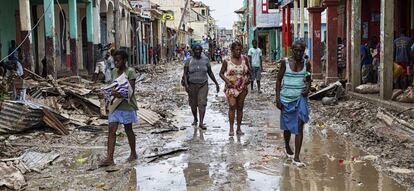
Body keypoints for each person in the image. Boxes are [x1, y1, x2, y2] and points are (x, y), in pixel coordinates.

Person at [275, 39, 311, 167]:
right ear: (292, 50)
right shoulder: (285, 62)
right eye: (296, 50)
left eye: (301, 50)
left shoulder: (307, 63)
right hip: (286, 99)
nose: (298, 53)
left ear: (303, 51)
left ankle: (296, 157)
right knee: (287, 128)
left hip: (300, 99)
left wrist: (307, 88)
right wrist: (277, 98)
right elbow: (278, 80)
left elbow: (308, 79)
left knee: (299, 126)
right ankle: (286, 145)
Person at [100, 49, 138, 167]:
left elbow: (130, 91)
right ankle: (110, 158)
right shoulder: (114, 72)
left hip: (127, 105)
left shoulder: (130, 72)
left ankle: (133, 153)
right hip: (115, 105)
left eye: (118, 60)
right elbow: (113, 86)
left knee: (128, 129)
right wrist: (107, 92)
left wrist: (119, 93)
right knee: (111, 130)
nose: (116, 63)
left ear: (124, 60)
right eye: (115, 60)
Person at [183, 44, 220, 130]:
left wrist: (216, 83)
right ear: (193, 51)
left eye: (199, 50)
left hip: (203, 84)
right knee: (193, 104)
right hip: (192, 85)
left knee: (202, 103)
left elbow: (210, 72)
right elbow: (185, 74)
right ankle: (195, 118)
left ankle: (201, 122)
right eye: (196, 50)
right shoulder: (189, 61)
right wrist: (186, 85)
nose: (198, 51)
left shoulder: (206, 60)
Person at [220, 41, 251, 136]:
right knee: (232, 106)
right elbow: (221, 73)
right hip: (231, 87)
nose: (238, 52)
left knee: (240, 107)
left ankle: (238, 128)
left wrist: (248, 80)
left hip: (242, 86)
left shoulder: (245, 59)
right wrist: (228, 82)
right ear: (232, 50)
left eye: (240, 50)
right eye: (236, 50)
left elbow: (249, 72)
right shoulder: (227, 60)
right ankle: (231, 128)